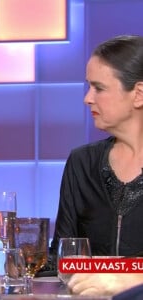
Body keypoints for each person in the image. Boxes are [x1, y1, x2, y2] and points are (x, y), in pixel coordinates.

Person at [50, 34, 143, 259]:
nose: (87, 98)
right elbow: (63, 260)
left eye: (99, 88)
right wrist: (24, 263)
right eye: (88, 86)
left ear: (138, 94)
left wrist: (123, 276)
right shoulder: (82, 162)